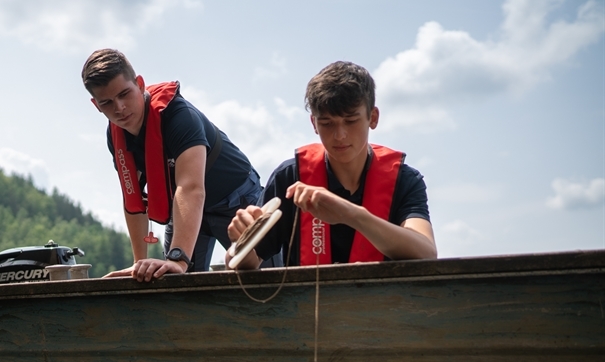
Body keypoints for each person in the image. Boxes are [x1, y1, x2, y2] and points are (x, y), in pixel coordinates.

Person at [227, 61, 437, 269]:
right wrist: (240, 243)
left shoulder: (405, 179)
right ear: (314, 124)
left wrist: (352, 215)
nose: (340, 135)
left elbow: (426, 252)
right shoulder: (290, 177)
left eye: (351, 120)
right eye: (327, 123)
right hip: (306, 302)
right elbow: (243, 263)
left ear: (373, 118)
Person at [82, 48, 263, 281]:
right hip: (185, 209)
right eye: (107, 102)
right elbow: (133, 198)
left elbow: (190, 188)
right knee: (168, 282)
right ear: (96, 105)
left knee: (261, 281)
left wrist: (178, 259)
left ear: (140, 84)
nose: (119, 108)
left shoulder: (179, 116)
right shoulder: (116, 135)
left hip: (235, 198)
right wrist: (139, 264)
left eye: (124, 94)